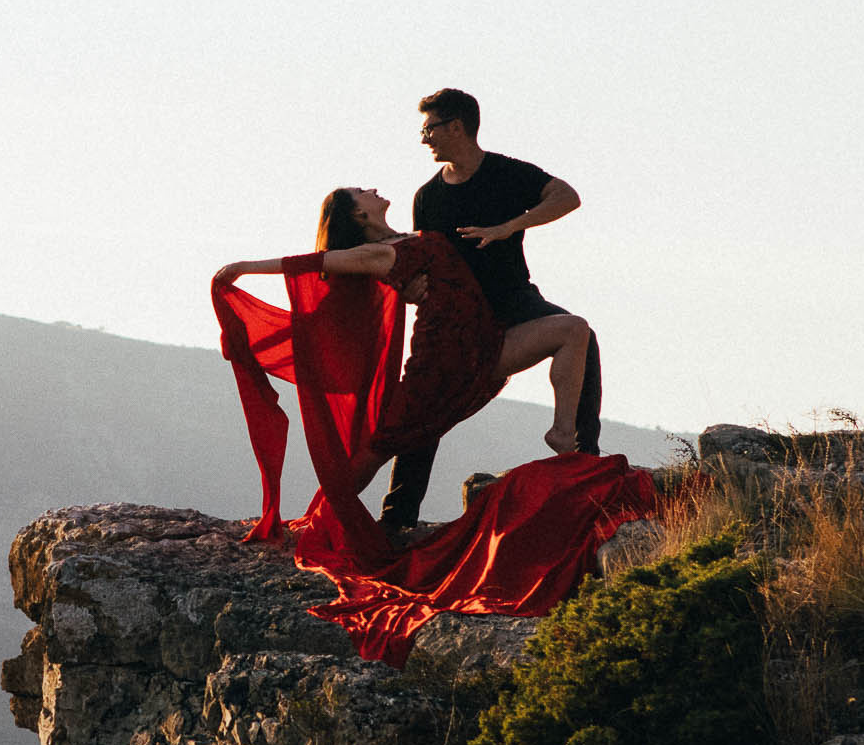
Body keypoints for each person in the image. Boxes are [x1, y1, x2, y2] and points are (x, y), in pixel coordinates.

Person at [214, 186, 592, 549]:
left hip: (483, 345)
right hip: (440, 364)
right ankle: (325, 512)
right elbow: (316, 263)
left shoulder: (411, 235)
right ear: (358, 214)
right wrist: (245, 267)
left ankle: (562, 433)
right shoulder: (376, 253)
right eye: (362, 191)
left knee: (574, 330)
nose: (372, 189)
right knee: (383, 444)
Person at [381, 88, 601, 537]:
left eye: (429, 129)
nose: (425, 140)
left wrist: (512, 225)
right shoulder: (428, 197)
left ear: (457, 126)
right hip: (459, 313)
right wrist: (412, 289)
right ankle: (397, 515)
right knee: (430, 401)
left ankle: (583, 456)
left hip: (515, 299)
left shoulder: (505, 173)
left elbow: (567, 196)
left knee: (582, 337)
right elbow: (425, 256)